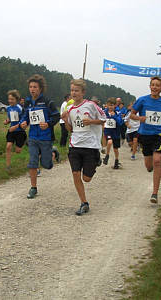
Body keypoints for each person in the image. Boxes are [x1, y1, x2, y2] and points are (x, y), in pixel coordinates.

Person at [62, 79, 106, 215]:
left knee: (86, 178)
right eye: (72, 90)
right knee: (75, 173)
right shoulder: (69, 108)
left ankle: (96, 160)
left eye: (76, 90)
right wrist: (65, 120)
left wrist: (91, 121)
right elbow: (70, 128)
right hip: (75, 144)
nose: (73, 93)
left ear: (83, 92)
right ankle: (84, 203)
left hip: (90, 146)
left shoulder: (91, 105)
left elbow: (104, 119)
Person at [130, 76, 161, 203]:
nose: (155, 87)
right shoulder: (142, 100)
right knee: (149, 165)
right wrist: (140, 119)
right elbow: (132, 115)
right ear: (150, 86)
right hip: (145, 134)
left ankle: (155, 193)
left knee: (157, 161)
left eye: (157, 85)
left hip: (159, 134)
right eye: (153, 85)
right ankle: (150, 168)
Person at [20, 74, 60, 199]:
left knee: (47, 165)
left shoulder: (48, 102)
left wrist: (48, 124)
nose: (32, 89)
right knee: (32, 162)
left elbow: (56, 116)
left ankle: (53, 152)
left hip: (46, 137)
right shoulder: (27, 102)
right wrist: (24, 122)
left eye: (35, 87)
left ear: (40, 88)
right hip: (32, 137)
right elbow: (24, 116)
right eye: (30, 87)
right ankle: (33, 188)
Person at [4, 90, 26, 170]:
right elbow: (11, 118)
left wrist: (16, 126)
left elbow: (23, 120)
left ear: (16, 99)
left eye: (12, 99)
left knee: (18, 151)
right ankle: (8, 166)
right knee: (8, 147)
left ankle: (25, 141)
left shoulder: (20, 109)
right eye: (9, 99)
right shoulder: (9, 108)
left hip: (20, 131)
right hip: (11, 131)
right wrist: (7, 121)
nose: (10, 101)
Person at [103, 97, 123, 169]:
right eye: (109, 105)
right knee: (109, 142)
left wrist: (114, 116)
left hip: (116, 133)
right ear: (107, 105)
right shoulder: (104, 112)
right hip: (108, 131)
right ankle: (107, 156)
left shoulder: (118, 113)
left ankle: (116, 160)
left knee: (115, 149)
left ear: (115, 105)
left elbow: (120, 122)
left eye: (112, 105)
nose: (110, 107)